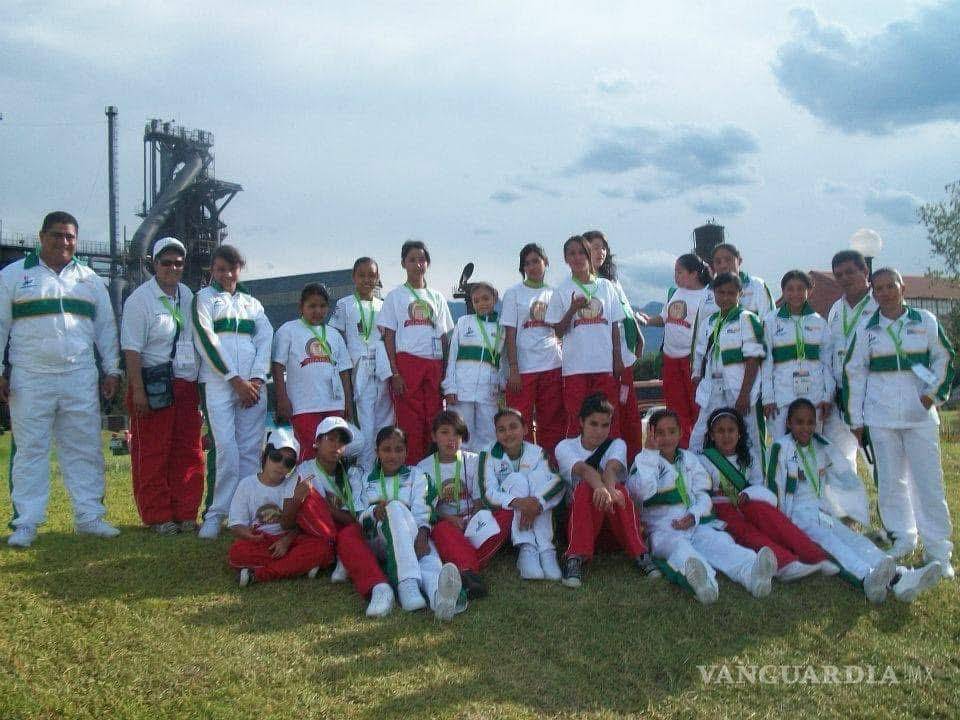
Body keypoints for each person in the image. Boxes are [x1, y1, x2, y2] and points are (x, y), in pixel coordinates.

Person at [1, 211, 121, 548]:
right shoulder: (13, 276)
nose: (64, 242)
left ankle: (89, 517)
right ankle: (26, 523)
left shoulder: (89, 279)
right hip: (30, 375)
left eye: (70, 237)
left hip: (79, 374)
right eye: (57, 235)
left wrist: (112, 369)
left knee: (85, 448)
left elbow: (106, 328)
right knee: (30, 450)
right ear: (41, 237)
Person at [768, 399, 943, 602]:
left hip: (822, 512)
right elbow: (774, 486)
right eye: (799, 422)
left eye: (810, 422)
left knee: (854, 539)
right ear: (789, 423)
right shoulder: (781, 448)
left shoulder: (821, 446)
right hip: (797, 516)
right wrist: (780, 527)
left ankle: (901, 577)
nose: (805, 428)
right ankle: (866, 576)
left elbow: (839, 476)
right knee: (833, 544)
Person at [843, 268, 955, 578]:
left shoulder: (925, 321)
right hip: (880, 418)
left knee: (928, 483)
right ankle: (902, 538)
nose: (885, 292)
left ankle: (938, 551)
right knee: (891, 482)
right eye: (878, 288)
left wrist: (932, 395)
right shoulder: (866, 329)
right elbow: (854, 373)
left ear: (902, 287)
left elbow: (944, 357)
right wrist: (856, 419)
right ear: (873, 293)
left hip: (920, 417)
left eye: (890, 286)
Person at [630, 408, 778, 604]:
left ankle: (753, 573)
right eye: (660, 433)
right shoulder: (642, 462)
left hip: (695, 524)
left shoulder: (689, 459)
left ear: (681, 433)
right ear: (651, 435)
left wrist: (694, 515)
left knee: (720, 543)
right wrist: (649, 454)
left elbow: (703, 494)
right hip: (664, 531)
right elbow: (641, 492)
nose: (667, 438)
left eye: (672, 432)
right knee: (682, 551)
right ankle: (704, 584)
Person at [121, 237, 204, 535]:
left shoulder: (188, 295)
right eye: (166, 262)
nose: (172, 268)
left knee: (189, 450)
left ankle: (185, 511)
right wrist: (138, 389)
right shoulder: (140, 300)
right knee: (153, 451)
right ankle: (158, 515)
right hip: (153, 382)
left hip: (185, 383)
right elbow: (131, 349)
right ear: (153, 264)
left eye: (178, 263)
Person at [192, 244, 273, 540]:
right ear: (212, 270)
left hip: (254, 385)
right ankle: (216, 513)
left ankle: (247, 513)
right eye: (221, 269)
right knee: (226, 448)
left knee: (251, 451)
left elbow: (266, 338)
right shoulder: (204, 298)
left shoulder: (252, 303)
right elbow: (206, 340)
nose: (227, 274)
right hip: (219, 383)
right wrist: (234, 379)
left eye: (232, 268)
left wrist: (256, 378)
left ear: (240, 268)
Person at [698, 407, 833, 582]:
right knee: (746, 531)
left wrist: (749, 495)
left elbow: (759, 485)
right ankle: (784, 564)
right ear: (712, 435)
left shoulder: (750, 458)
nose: (726, 436)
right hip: (720, 509)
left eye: (731, 430)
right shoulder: (703, 459)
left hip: (748, 502)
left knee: (775, 519)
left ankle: (815, 556)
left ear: (739, 433)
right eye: (720, 431)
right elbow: (700, 491)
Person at [283, 416, 395, 618]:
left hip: (347, 533)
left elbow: (356, 518)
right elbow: (292, 517)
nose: (336, 446)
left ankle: (373, 582)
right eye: (331, 439)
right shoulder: (303, 471)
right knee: (309, 500)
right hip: (316, 535)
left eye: (342, 441)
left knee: (346, 528)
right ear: (317, 442)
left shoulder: (352, 473)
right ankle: (338, 557)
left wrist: (326, 507)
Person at [358, 426, 466, 619]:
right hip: (379, 541)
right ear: (377, 452)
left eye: (399, 449)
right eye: (387, 449)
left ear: (406, 452)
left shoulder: (418, 475)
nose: (393, 455)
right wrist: (374, 512)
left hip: (414, 536)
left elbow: (423, 509)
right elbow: (358, 515)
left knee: (430, 560)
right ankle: (407, 585)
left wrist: (423, 536)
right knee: (395, 507)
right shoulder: (365, 479)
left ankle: (440, 600)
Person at [554, 394, 646, 588]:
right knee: (584, 489)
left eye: (605, 425)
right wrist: (602, 489)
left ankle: (641, 553)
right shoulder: (565, 446)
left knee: (619, 489)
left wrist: (610, 489)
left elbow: (611, 469)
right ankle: (575, 557)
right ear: (581, 422)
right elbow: (584, 470)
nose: (599, 431)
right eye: (593, 424)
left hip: (613, 523)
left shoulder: (617, 444)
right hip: (579, 523)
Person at [417, 411, 511, 597]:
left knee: (507, 512)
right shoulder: (423, 467)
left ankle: (462, 561)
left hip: (474, 521)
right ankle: (469, 572)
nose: (451, 439)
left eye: (457, 434)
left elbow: (479, 499)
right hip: (448, 524)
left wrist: (474, 518)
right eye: (444, 432)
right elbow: (428, 508)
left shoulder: (475, 460)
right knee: (441, 530)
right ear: (433, 436)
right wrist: (451, 519)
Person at [378, 241, 454, 464]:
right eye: (412, 259)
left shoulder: (437, 297)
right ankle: (412, 469)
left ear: (427, 263)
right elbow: (388, 337)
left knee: (434, 417)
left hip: (434, 363)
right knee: (410, 420)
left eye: (421, 259)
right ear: (403, 263)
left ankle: (436, 467)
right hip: (407, 363)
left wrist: (445, 372)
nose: (417, 264)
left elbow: (444, 337)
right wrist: (395, 372)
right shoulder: (395, 296)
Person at [226, 428, 330, 586]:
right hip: (261, 540)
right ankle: (297, 567)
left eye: (288, 463)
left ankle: (261, 574)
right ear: (265, 455)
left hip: (290, 540)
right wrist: (249, 536)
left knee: (322, 548)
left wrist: (286, 541)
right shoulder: (247, 484)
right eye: (276, 457)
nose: (281, 465)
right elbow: (236, 524)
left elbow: (299, 525)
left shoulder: (294, 484)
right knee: (238, 553)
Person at [546, 236, 625, 440]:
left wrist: (617, 359)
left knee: (608, 418)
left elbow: (614, 325)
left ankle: (610, 464)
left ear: (589, 255)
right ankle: (578, 466)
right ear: (565, 258)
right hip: (575, 368)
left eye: (581, 252)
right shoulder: (561, 290)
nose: (577, 257)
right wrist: (572, 309)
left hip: (603, 365)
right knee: (576, 418)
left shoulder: (606, 286)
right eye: (572, 253)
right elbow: (558, 332)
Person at [479, 408, 566, 580]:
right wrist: (518, 502)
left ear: (525, 429)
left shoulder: (537, 452)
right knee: (518, 480)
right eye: (501, 429)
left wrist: (536, 503)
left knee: (539, 478)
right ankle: (526, 547)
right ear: (495, 433)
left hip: (535, 509)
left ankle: (545, 548)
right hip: (504, 513)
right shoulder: (487, 452)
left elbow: (558, 482)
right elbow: (487, 495)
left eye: (513, 427)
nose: (508, 433)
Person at [689, 272, 766, 467]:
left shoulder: (747, 319)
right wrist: (698, 379)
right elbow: (700, 354)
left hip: (738, 391)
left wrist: (744, 394)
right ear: (714, 293)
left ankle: (757, 487)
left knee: (749, 439)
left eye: (731, 293)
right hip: (712, 388)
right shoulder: (709, 322)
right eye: (721, 292)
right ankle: (700, 482)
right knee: (699, 438)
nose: (725, 298)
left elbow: (753, 359)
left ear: (740, 294)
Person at [272, 283, 352, 461]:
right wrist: (282, 398)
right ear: (301, 307)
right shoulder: (288, 330)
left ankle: (333, 488)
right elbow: (278, 366)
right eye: (312, 306)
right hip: (304, 406)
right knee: (309, 452)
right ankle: (308, 489)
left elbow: (344, 371)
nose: (318, 311)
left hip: (334, 405)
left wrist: (347, 401)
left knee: (334, 454)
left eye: (322, 306)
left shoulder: (334, 334)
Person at [638, 253, 711, 447]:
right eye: (675, 272)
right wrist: (648, 320)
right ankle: (680, 446)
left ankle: (698, 447)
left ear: (694, 273)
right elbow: (664, 317)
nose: (676, 277)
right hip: (670, 358)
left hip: (691, 359)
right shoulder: (674, 292)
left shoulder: (707, 296)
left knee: (695, 405)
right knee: (675, 407)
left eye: (680, 272)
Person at [584, 230, 645, 463]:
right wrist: (615, 357)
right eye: (592, 247)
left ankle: (633, 463)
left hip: (625, 358)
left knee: (629, 411)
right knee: (612, 413)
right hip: (605, 360)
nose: (598, 252)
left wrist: (638, 335)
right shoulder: (584, 285)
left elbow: (625, 312)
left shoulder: (612, 280)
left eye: (602, 247)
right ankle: (612, 464)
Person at [501, 243, 564, 463]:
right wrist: (513, 368)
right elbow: (509, 334)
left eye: (536, 261)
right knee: (519, 423)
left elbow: (561, 329)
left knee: (553, 423)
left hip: (552, 365)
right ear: (522, 268)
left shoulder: (555, 293)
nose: (532, 266)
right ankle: (521, 467)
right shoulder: (513, 294)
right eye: (527, 263)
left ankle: (552, 471)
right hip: (524, 368)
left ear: (545, 262)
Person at [329, 257, 394, 469]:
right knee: (365, 426)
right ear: (354, 277)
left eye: (372, 275)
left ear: (378, 278)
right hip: (358, 369)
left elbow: (390, 338)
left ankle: (382, 469)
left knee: (385, 421)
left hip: (382, 368)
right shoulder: (344, 304)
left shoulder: (384, 306)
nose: (367, 280)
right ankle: (364, 471)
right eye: (362, 275)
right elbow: (336, 337)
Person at [822, 250, 877, 478]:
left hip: (872, 394)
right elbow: (828, 354)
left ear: (865, 271)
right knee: (839, 462)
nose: (845, 278)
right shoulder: (836, 309)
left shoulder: (880, 305)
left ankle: (891, 512)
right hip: (839, 397)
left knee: (880, 461)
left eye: (850, 272)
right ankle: (847, 513)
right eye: (839, 274)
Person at [761, 270, 833, 440]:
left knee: (812, 443)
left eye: (800, 289)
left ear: (809, 291)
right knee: (780, 444)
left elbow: (828, 363)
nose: (795, 294)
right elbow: (766, 362)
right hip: (781, 394)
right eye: (790, 289)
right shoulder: (770, 321)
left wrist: (827, 395)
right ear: (783, 291)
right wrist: (767, 397)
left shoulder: (819, 322)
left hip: (813, 393)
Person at [442, 282, 504, 450]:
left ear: (495, 298)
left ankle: (484, 473)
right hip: (462, 391)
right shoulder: (463, 323)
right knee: (463, 434)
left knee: (489, 436)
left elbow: (503, 362)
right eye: (476, 300)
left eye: (486, 298)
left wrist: (501, 384)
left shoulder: (502, 327)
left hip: (488, 390)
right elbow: (452, 357)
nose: (481, 303)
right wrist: (450, 388)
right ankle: (463, 473)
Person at [705, 243, 773, 319]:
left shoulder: (757, 285)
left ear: (739, 261)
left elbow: (769, 320)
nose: (723, 266)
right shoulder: (708, 290)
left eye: (728, 260)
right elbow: (700, 326)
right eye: (718, 262)